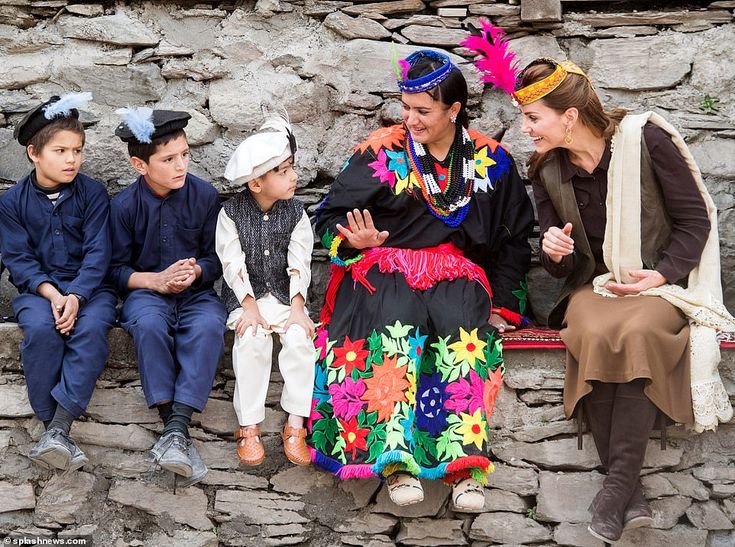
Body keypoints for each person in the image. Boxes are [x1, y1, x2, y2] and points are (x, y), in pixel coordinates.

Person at [517, 58, 735, 542]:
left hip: (658, 284)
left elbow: (695, 221)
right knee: (593, 331)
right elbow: (562, 266)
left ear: (568, 118)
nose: (525, 129)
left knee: (636, 330)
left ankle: (615, 489)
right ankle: (627, 492)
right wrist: (554, 252)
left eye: (533, 118)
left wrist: (660, 273)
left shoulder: (645, 141)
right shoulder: (546, 170)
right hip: (593, 289)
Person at [307, 49, 534, 511]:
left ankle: (465, 466)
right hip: (382, 269)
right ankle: (393, 460)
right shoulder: (380, 152)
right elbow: (327, 218)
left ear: (454, 110)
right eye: (405, 107)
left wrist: (504, 307)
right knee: (394, 318)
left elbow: (514, 241)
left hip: (457, 275)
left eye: (423, 110)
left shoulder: (494, 161)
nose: (410, 119)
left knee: (462, 329)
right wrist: (355, 241)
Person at [109, 107, 226, 487]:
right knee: (148, 325)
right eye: (168, 159)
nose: (181, 166)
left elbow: (216, 258)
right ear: (140, 165)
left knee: (210, 326)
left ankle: (175, 434)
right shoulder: (123, 206)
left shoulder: (205, 196)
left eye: (185, 155)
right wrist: (154, 281)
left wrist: (195, 272)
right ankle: (174, 428)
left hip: (196, 295)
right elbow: (113, 269)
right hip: (147, 293)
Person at [0, 92, 117, 471]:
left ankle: (58, 428)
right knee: (39, 330)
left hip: (91, 291)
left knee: (93, 329)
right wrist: (53, 295)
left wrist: (77, 297)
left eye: (78, 150)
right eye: (61, 151)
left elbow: (100, 253)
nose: (72, 159)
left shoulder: (93, 194)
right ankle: (54, 427)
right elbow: (18, 259)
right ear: (34, 153)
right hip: (39, 292)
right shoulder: (12, 202)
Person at [216, 112, 315, 467]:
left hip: (287, 298)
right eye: (283, 172)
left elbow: (299, 261)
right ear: (256, 183)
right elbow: (232, 263)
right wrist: (249, 307)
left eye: (291, 168)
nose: (294, 177)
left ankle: (295, 424)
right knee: (252, 338)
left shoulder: (297, 213)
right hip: (248, 297)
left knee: (301, 341)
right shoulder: (230, 213)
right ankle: (250, 427)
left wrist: (299, 309)